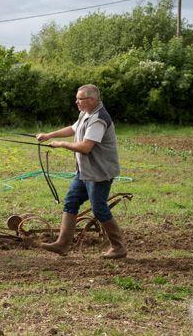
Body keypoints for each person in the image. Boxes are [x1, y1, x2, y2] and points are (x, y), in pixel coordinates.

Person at [35, 84, 126, 259]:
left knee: (99, 209)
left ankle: (119, 247)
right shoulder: (86, 113)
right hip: (84, 171)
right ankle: (62, 244)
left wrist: (60, 144)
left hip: (99, 172)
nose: (76, 102)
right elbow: (73, 128)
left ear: (91, 100)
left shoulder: (99, 118)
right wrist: (49, 135)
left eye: (80, 99)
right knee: (71, 201)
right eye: (77, 98)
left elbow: (85, 147)